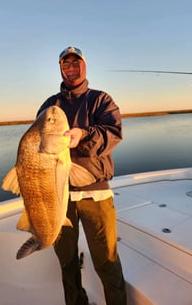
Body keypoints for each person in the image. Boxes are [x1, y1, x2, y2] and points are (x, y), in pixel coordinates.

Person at [37, 46, 127, 305]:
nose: (71, 67)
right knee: (67, 263)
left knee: (107, 262)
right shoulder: (49, 106)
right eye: (66, 64)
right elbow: (38, 141)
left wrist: (83, 135)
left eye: (76, 63)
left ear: (84, 66)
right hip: (57, 197)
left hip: (95, 193)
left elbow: (113, 133)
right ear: (61, 69)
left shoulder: (100, 100)